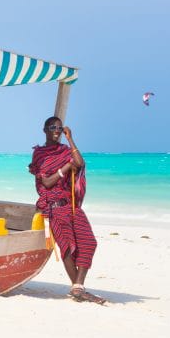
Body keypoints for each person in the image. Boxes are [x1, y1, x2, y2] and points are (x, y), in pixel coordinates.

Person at [28, 116, 105, 304]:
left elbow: (80, 162)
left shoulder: (65, 150)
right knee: (67, 248)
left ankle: (77, 287)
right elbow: (46, 181)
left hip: (71, 206)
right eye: (53, 127)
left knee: (89, 242)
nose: (57, 129)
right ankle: (78, 289)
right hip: (54, 208)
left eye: (60, 127)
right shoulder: (39, 155)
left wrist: (70, 139)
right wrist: (65, 167)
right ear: (44, 129)